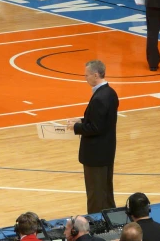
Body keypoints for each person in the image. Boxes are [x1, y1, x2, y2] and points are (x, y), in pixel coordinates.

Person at [67, 60, 119, 214]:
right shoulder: (110, 93)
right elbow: (102, 121)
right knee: (106, 192)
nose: (85, 78)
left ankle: (96, 226)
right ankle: (112, 221)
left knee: (96, 194)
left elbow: (96, 127)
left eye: (87, 75)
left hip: (96, 154)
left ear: (96, 75)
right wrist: (81, 121)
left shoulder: (99, 98)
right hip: (106, 151)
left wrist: (76, 127)